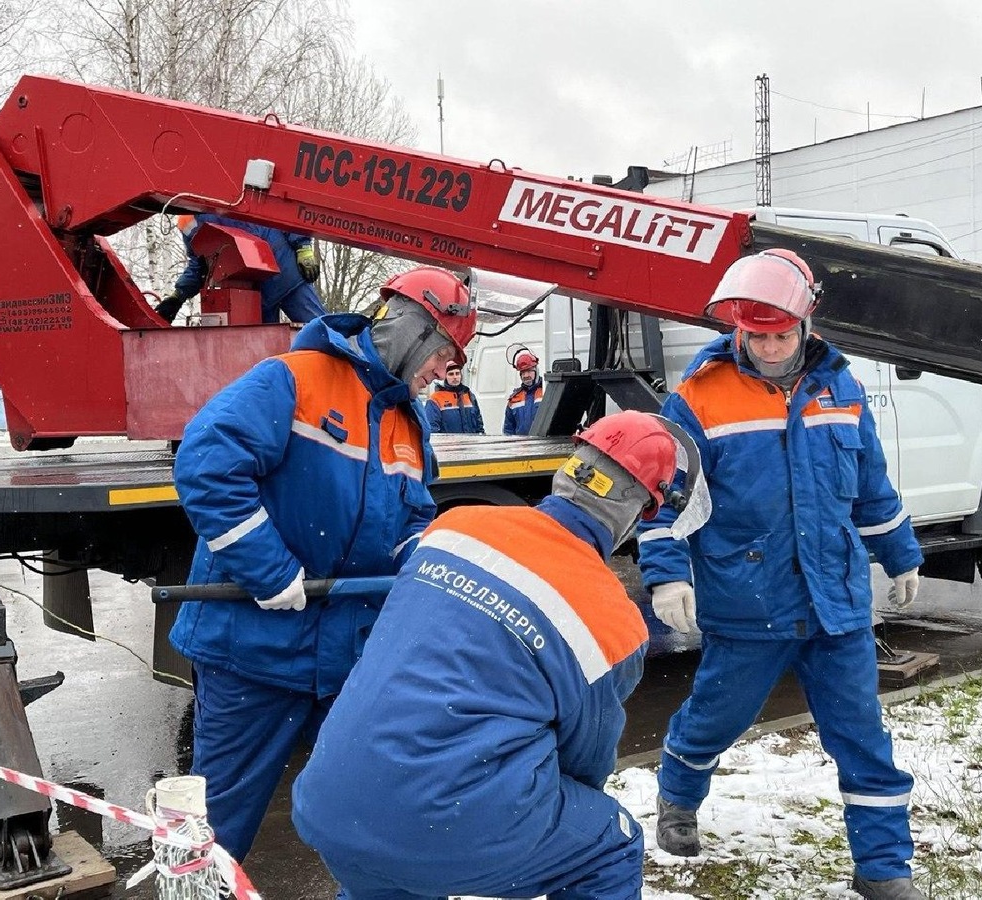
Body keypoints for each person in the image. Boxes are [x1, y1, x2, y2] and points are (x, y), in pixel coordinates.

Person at [293, 410, 708, 900]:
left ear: (569, 468)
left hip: (332, 803)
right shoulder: (612, 625)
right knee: (608, 844)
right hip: (445, 827)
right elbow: (584, 765)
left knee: (389, 866)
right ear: (642, 514)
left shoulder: (453, 529)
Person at [638, 248, 926, 900]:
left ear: (805, 322)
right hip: (748, 602)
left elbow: (871, 484)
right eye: (755, 335)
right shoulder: (697, 400)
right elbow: (666, 496)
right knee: (714, 719)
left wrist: (900, 553)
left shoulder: (842, 388)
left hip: (837, 603)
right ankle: (678, 795)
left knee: (862, 739)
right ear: (738, 327)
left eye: (781, 334)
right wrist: (667, 574)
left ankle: (884, 870)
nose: (768, 347)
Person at [168, 265, 476, 861]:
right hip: (251, 654)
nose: (445, 371)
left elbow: (411, 519)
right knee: (212, 834)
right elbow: (207, 464)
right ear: (412, 330)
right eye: (445, 352)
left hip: (343, 663)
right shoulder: (295, 377)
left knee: (378, 816)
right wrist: (270, 570)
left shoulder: (410, 425)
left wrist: (424, 559)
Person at [155, 213, 329, 324]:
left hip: (282, 278)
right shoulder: (188, 221)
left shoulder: (232, 183)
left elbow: (282, 213)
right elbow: (200, 265)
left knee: (322, 332)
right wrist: (178, 295)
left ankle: (349, 367)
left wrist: (303, 245)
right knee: (268, 353)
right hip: (257, 295)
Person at [425, 360, 484, 434]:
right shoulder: (435, 399)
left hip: (470, 444)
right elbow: (432, 428)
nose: (455, 377)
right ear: (445, 376)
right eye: (451, 374)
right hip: (449, 445)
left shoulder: (469, 395)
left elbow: (479, 424)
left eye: (457, 373)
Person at [503, 347, 543, 435]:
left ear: (536, 370)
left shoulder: (546, 392)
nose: (526, 375)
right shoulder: (514, 400)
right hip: (521, 448)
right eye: (523, 372)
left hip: (542, 446)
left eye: (529, 371)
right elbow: (508, 431)